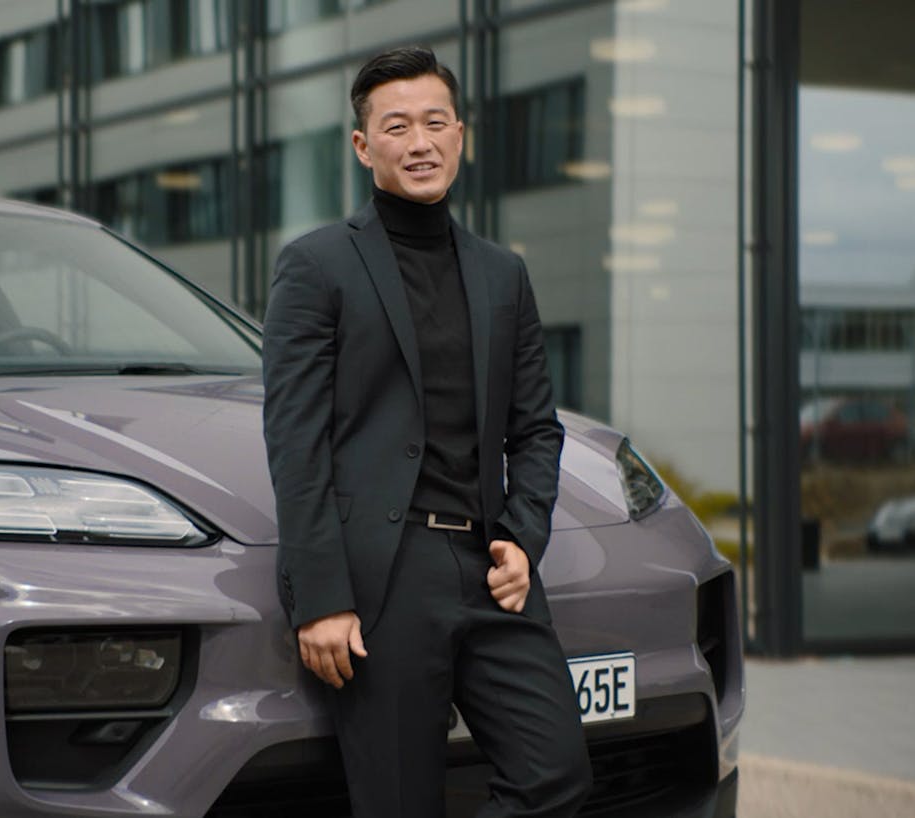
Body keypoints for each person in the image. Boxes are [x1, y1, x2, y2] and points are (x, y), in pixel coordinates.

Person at [260, 46, 593, 817]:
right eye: (397, 125)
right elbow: (295, 443)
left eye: (435, 123)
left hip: (489, 571)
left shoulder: (501, 274)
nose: (420, 142)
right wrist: (321, 598)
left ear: (461, 136)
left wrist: (524, 535)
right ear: (362, 146)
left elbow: (536, 430)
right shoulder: (316, 267)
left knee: (556, 776)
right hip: (383, 577)